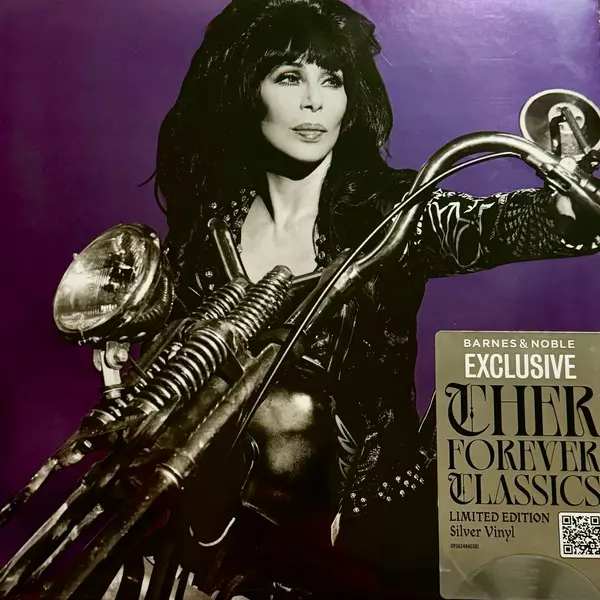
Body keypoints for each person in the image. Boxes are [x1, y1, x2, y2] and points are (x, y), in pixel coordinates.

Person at [151, 0, 600, 597]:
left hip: (369, 533)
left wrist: (565, 209)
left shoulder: (389, 212)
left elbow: (490, 226)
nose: (314, 102)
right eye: (289, 77)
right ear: (245, 90)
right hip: (227, 531)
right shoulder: (209, 227)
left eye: (332, 80)